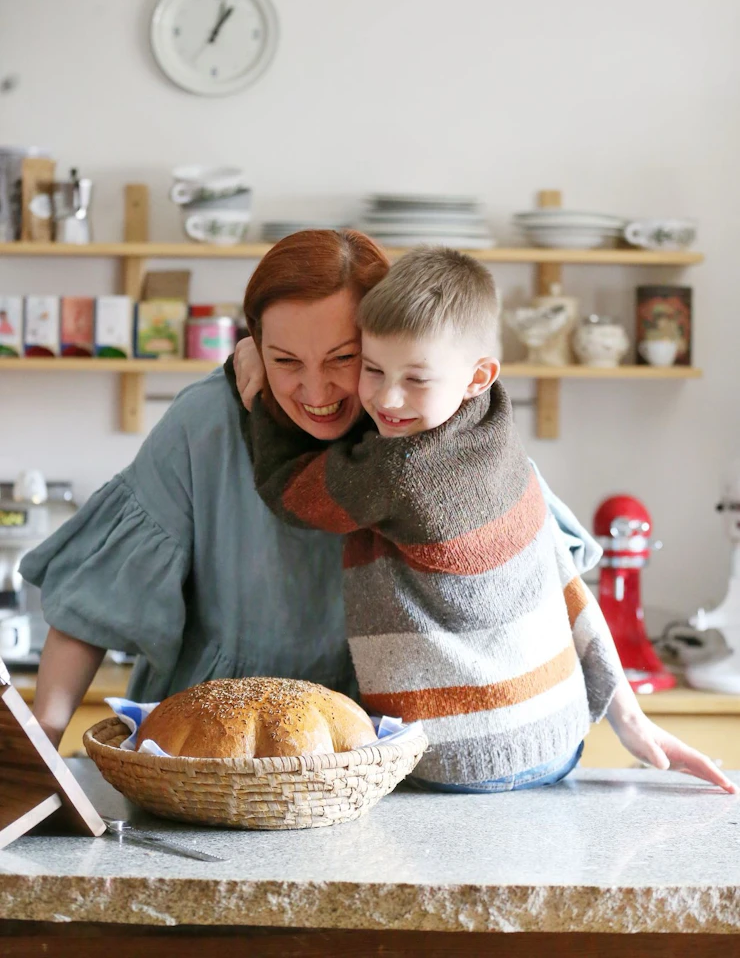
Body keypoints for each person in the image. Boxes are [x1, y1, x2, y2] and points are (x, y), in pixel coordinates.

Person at [19, 230, 731, 792]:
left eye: (344, 357)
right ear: (253, 348)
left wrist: (630, 716)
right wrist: (37, 753)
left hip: (384, 764)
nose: (319, 389)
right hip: (212, 765)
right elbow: (93, 601)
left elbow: (543, 563)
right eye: (285, 359)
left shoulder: (427, 423)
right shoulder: (208, 421)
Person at [242, 244, 737, 794]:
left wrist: (258, 380)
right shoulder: (495, 429)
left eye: (416, 379)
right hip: (561, 738)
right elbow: (559, 573)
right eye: (373, 368)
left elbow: (286, 487)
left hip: (454, 759)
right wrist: (627, 715)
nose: (387, 398)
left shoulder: (398, 475)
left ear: (478, 376)